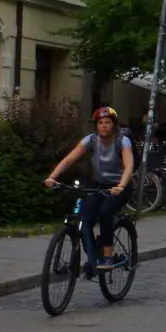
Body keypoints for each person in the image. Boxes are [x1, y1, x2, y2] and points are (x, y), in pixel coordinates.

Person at [44, 107, 135, 272]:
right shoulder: (91, 140)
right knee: (85, 219)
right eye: (100, 123)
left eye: (108, 122)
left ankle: (107, 256)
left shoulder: (122, 141)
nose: (104, 126)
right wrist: (52, 177)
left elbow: (129, 166)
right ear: (96, 126)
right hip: (100, 186)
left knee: (105, 213)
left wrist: (120, 186)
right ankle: (94, 256)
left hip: (121, 186)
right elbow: (69, 159)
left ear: (114, 125)